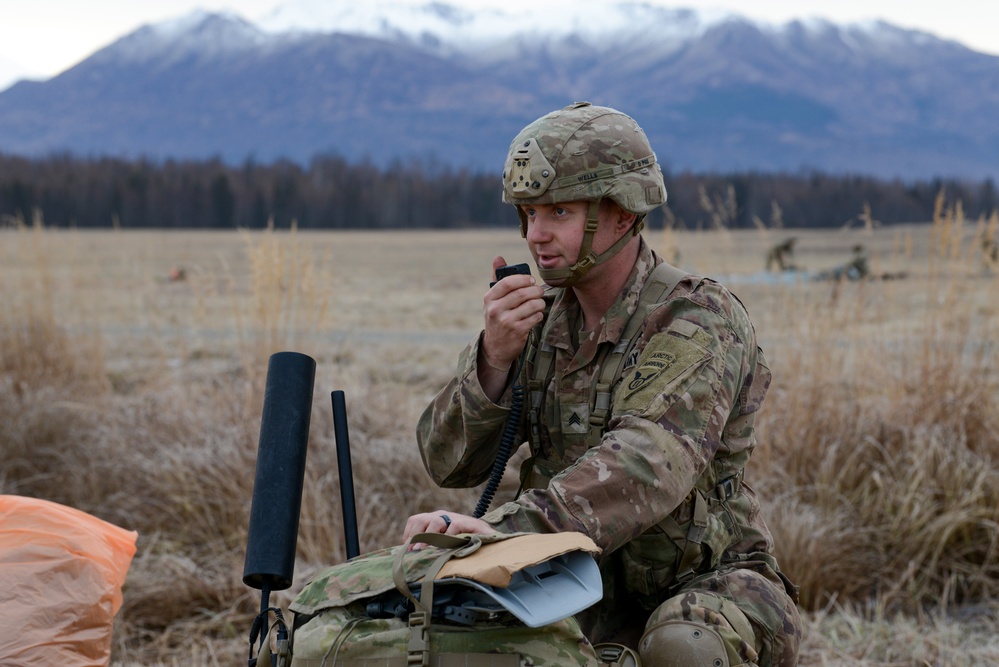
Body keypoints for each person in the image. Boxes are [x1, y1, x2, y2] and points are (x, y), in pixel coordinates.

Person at [403, 102, 801, 666]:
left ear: (622, 213)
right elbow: (447, 462)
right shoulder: (535, 323)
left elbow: (647, 464)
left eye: (558, 211)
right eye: (528, 213)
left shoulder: (695, 318)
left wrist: (502, 535)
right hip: (570, 580)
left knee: (681, 647)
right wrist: (493, 360)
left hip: (709, 587)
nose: (536, 235)